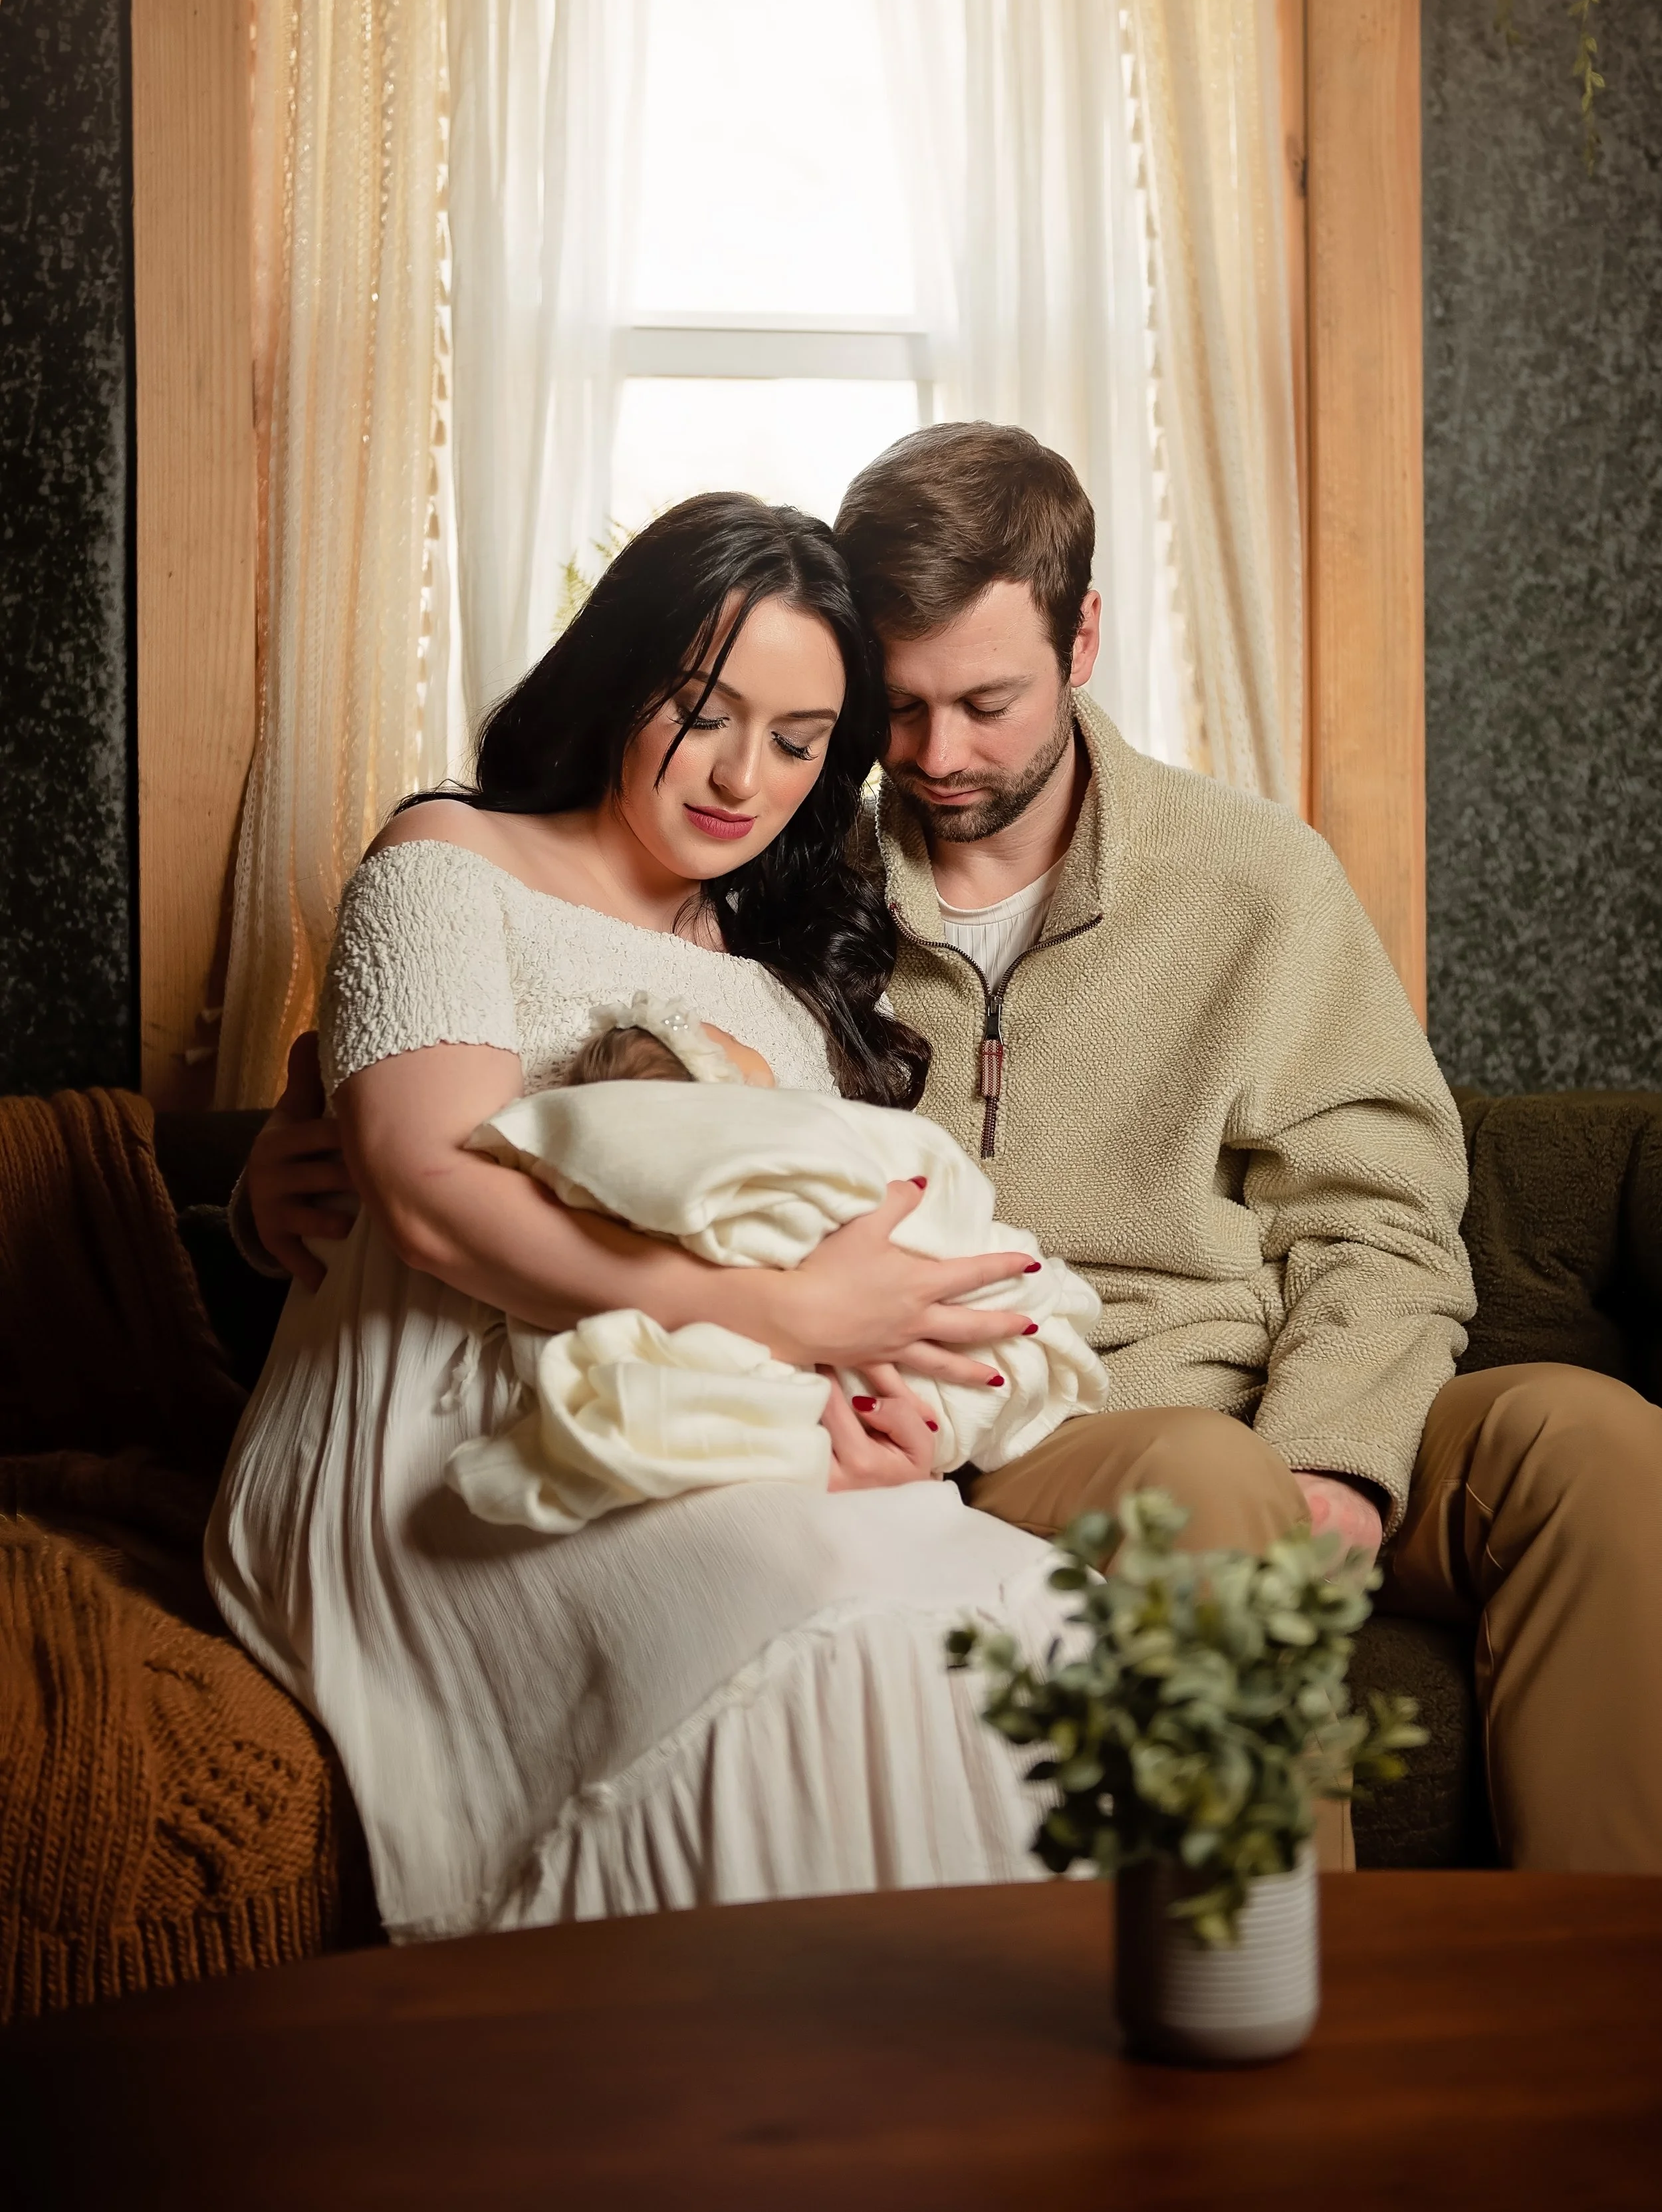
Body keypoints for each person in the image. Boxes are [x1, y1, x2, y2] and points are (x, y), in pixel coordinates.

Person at [247, 425, 1662, 1874]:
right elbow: (563, 1063)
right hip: (1041, 1411)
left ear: (1083, 637)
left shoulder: (1254, 880)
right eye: (897, 712)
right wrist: (300, 1148)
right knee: (1207, 1483)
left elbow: (1379, 1213)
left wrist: (1342, 1463)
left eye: (985, 702)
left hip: (1273, 1391)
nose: (936, 756)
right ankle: (1272, 2015)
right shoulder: (796, 887)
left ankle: (1602, 2002)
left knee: (1590, 1439)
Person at [207, 495, 1078, 1945]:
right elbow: (427, 1198)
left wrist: (883, 1407)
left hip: (712, 1419)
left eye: (800, 741)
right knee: (810, 1614)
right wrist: (790, 1319)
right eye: (703, 711)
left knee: (1037, 1620)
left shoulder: (781, 982)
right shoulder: (447, 863)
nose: (745, 775)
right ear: (619, 678)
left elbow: (832, 1239)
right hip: (449, 1423)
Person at [441, 987, 1110, 1535]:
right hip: (836, 1414)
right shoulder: (745, 1128)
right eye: (719, 1042)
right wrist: (797, 1307)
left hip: (902, 1403)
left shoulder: (816, 935)